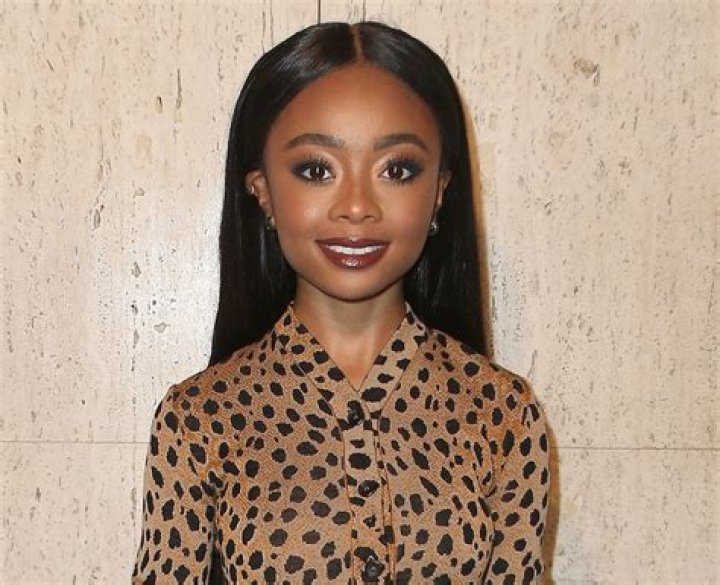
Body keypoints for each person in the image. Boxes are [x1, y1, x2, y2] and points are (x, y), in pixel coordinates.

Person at [131, 21, 549, 585]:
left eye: (397, 169)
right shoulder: (201, 421)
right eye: (316, 170)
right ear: (261, 189)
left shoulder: (501, 415)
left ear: (439, 191)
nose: (356, 205)